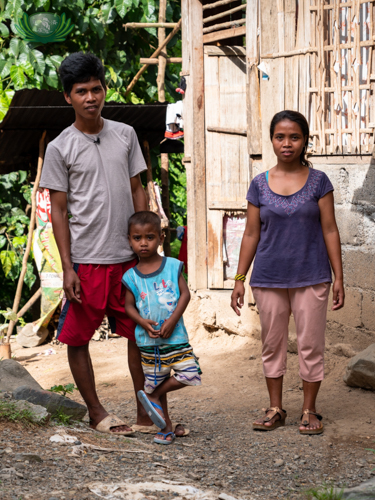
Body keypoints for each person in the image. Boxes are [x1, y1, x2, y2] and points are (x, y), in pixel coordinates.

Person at [39, 52, 152, 434]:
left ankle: (145, 412)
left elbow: (138, 189)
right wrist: (67, 265)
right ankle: (97, 412)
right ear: (68, 97)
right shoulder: (59, 147)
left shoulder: (125, 134)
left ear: (105, 89)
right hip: (86, 261)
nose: (91, 97)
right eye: (81, 91)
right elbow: (57, 210)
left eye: (96, 89)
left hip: (127, 260)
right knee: (78, 338)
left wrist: (145, 248)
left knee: (138, 334)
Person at [231, 110, 344, 435]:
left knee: (311, 344)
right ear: (271, 140)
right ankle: (275, 407)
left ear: (305, 140)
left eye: (294, 137)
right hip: (268, 278)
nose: (287, 143)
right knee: (272, 343)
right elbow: (251, 234)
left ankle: (309, 410)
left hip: (312, 276)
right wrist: (239, 280)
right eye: (280, 137)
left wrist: (339, 277)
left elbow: (330, 230)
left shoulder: (319, 181)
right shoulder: (259, 185)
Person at [122, 211, 202, 444]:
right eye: (137, 238)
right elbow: (129, 307)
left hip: (175, 338)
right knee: (158, 380)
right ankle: (165, 428)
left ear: (161, 238)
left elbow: (185, 294)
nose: (144, 243)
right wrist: (143, 323)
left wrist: (172, 320)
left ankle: (152, 394)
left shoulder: (173, 266)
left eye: (150, 237)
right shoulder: (130, 276)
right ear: (130, 240)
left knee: (190, 373)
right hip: (149, 343)